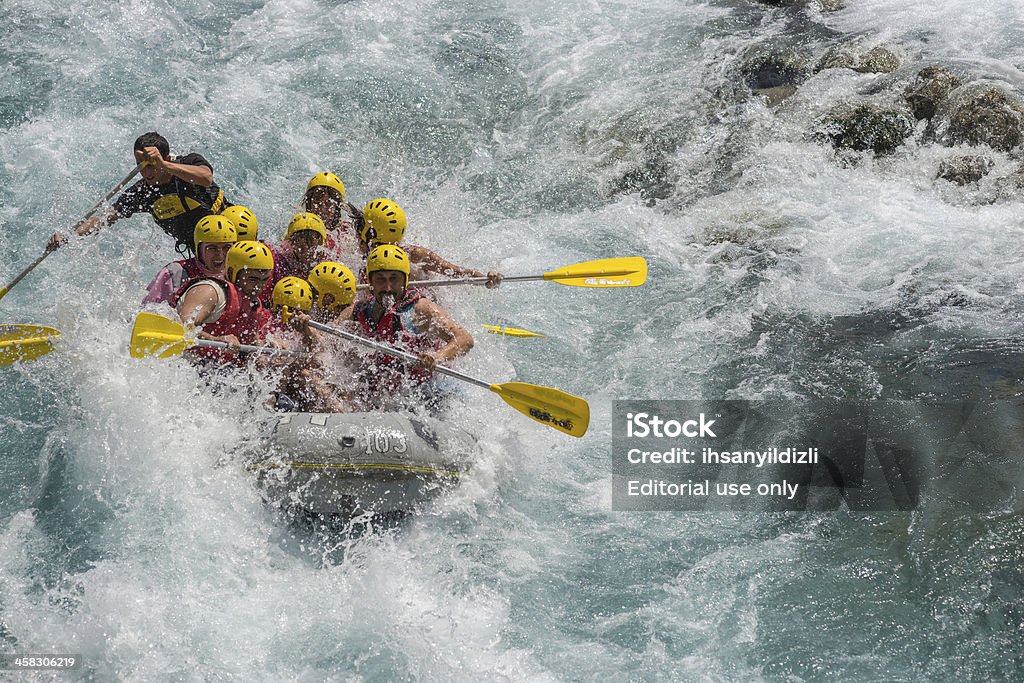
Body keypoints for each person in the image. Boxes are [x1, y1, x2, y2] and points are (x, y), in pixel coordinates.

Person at [49, 132, 231, 256]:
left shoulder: (187, 163)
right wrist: (68, 237)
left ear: (166, 158)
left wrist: (164, 165)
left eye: (151, 165)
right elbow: (105, 218)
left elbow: (206, 177)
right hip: (202, 252)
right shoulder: (142, 192)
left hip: (232, 232)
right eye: (140, 165)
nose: (146, 172)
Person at [351, 244, 474, 410]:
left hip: (428, 393)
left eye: (394, 279)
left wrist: (437, 357)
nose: (388, 288)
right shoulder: (361, 309)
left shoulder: (421, 310)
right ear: (370, 282)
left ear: (405, 281)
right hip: (384, 392)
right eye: (380, 279)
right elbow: (328, 333)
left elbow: (464, 339)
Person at [171, 237, 270, 368]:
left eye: (264, 280)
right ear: (231, 272)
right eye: (253, 279)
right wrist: (215, 340)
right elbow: (182, 326)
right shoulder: (209, 291)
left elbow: (250, 338)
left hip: (220, 370)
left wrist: (265, 345)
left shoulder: (253, 303)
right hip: (187, 365)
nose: (259, 287)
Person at [358, 198, 501, 287]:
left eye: (360, 226)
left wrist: (485, 279)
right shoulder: (357, 253)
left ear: (368, 233)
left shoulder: (414, 256)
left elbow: (457, 272)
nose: (356, 232)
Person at [142, 215, 236, 306]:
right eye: (212, 248)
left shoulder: (236, 274)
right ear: (198, 249)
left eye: (226, 248)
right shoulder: (175, 273)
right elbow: (149, 310)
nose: (220, 254)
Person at [301, 172, 363, 259]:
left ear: (337, 208)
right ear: (309, 204)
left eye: (328, 204)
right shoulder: (300, 230)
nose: (321, 209)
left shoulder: (347, 232)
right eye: (317, 203)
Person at [271, 212, 328, 283]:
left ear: (321, 244)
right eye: (301, 248)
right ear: (292, 244)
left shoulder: (327, 262)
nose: (306, 252)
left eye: (311, 247)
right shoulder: (283, 260)